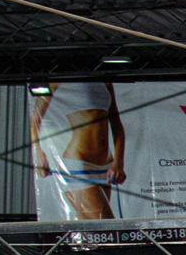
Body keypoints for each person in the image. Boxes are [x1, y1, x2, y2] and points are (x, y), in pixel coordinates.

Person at [29, 81, 126, 220]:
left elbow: (117, 125)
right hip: (78, 163)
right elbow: (35, 121)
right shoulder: (59, 79)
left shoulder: (104, 80)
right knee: (104, 222)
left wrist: (119, 161)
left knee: (92, 225)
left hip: (105, 165)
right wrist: (39, 155)